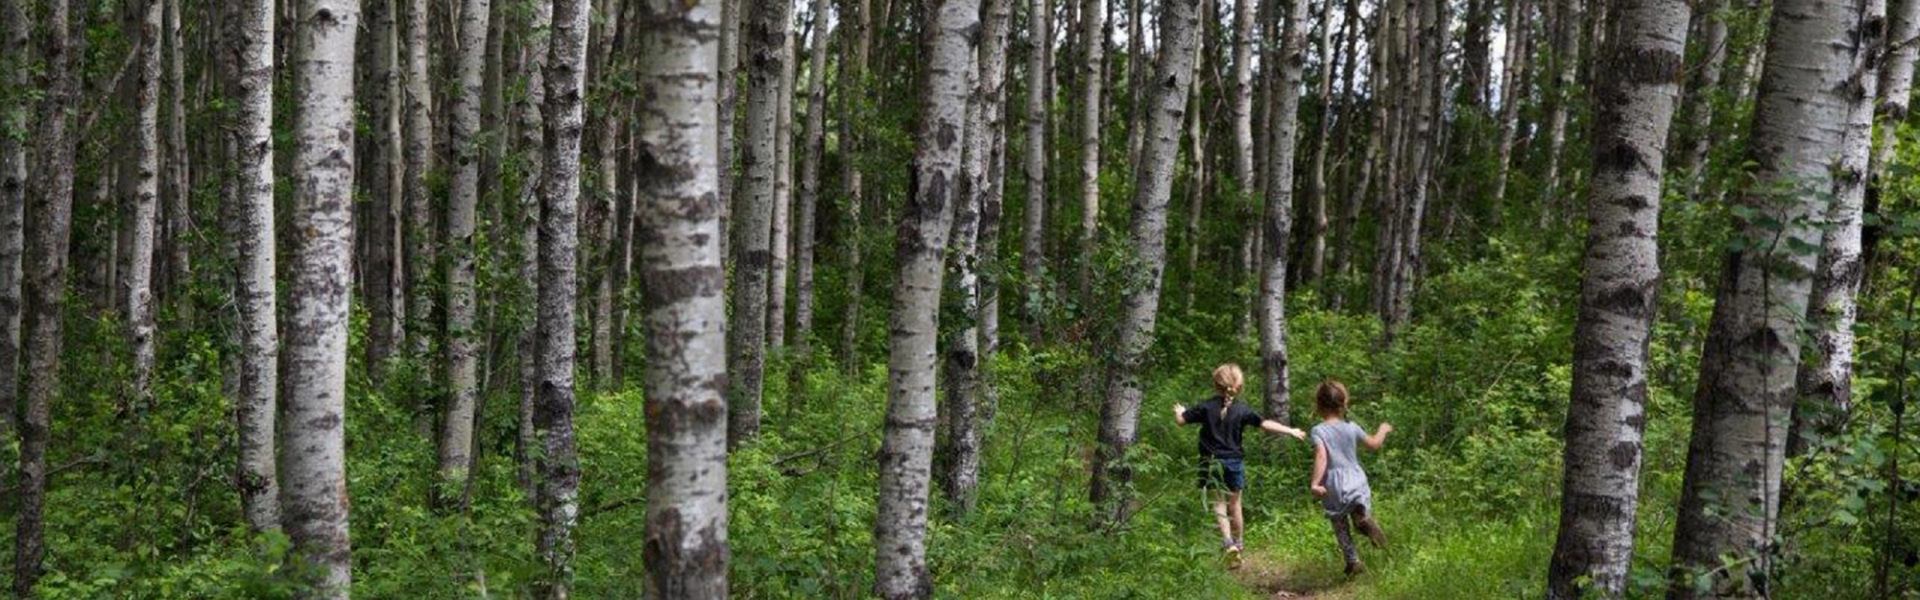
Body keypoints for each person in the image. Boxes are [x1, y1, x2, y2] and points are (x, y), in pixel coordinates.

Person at [1172, 363, 1308, 569]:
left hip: (1210, 462)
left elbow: (1181, 421)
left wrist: (1179, 410)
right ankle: (1239, 543)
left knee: (1218, 504)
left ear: (1216, 385)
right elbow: (1264, 424)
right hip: (1234, 461)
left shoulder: (1206, 407)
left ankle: (1228, 544)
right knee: (1235, 505)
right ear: (1239, 386)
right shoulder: (1243, 410)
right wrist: (1290, 430)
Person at [1308, 378, 1393, 576]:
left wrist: (1315, 483)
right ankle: (1363, 520)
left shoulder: (1318, 430)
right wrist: (1383, 429)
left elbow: (1321, 456)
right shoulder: (1352, 427)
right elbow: (1373, 444)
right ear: (1344, 403)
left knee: (1339, 524)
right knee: (1359, 511)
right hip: (1355, 479)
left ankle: (1353, 561)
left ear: (1319, 405)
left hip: (1334, 484)